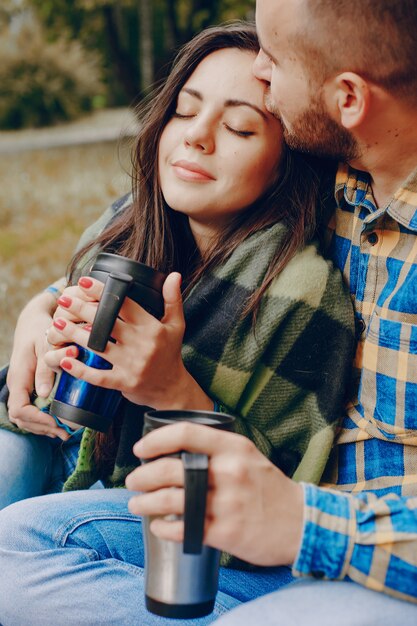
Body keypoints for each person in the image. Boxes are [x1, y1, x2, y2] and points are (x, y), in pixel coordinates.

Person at [0, 22, 355, 625]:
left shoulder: (302, 291)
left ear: (286, 160)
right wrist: (42, 344)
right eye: (184, 111)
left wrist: (169, 388)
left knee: (11, 550)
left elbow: (280, 498)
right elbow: (60, 362)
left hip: (200, 532)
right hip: (86, 460)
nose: (197, 137)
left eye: (240, 127)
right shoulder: (130, 226)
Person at [130, 1, 417, 623]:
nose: (260, 69)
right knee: (21, 547)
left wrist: (308, 524)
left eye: (275, 58)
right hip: (269, 530)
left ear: (347, 98)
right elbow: (163, 206)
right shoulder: (345, 175)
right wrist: (47, 305)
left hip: (366, 563)